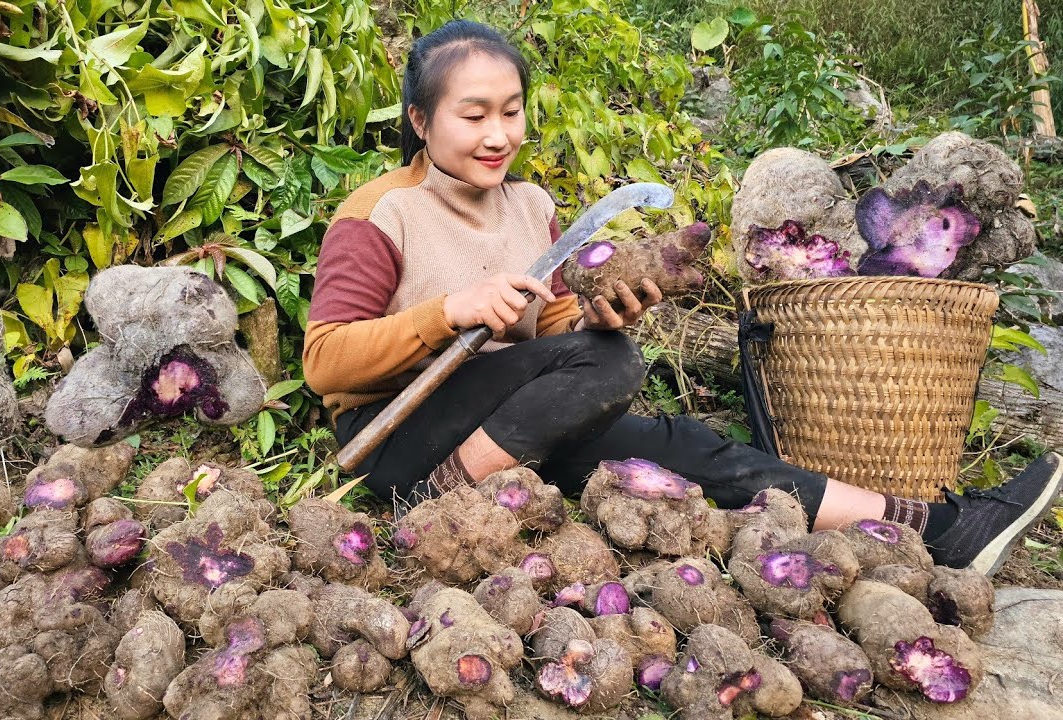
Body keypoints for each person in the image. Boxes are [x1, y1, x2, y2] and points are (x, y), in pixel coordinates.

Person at [301, 19, 1062, 575]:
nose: (498, 134)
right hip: (396, 437)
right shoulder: (381, 214)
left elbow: (554, 334)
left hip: (509, 429)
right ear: (419, 120)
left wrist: (600, 314)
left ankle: (933, 527)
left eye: (511, 110)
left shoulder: (531, 206)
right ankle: (436, 494)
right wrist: (449, 312)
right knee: (608, 366)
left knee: (685, 444)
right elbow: (326, 366)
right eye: (473, 116)